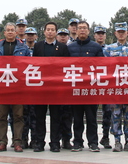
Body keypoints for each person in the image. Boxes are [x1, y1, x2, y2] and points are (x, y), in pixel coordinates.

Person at [0, 22, 31, 152]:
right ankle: (2, 141)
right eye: (7, 30)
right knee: (1, 116)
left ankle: (17, 141)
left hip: (17, 87)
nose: (10, 32)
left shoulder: (23, 48)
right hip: (2, 87)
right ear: (4, 33)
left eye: (12, 30)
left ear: (16, 32)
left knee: (18, 116)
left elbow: (28, 66)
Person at [32, 21, 71, 152]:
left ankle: (55, 142)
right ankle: (39, 142)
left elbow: (66, 67)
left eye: (52, 30)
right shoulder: (37, 46)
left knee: (56, 117)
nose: (50, 32)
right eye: (48, 29)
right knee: (40, 117)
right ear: (44, 32)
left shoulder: (63, 48)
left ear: (56, 32)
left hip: (56, 88)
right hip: (41, 88)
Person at [68, 20, 103, 152]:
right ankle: (77, 142)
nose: (82, 30)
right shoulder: (70, 48)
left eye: (84, 28)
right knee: (77, 118)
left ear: (88, 31)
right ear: (76, 31)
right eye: (80, 28)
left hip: (91, 89)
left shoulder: (96, 47)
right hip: (75, 89)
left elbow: (102, 67)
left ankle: (93, 142)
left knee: (91, 118)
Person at [104, 22, 128, 152]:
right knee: (116, 115)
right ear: (115, 33)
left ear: (127, 33)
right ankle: (117, 141)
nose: (121, 34)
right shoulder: (108, 49)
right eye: (119, 32)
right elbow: (104, 68)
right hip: (115, 89)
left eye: (123, 32)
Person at [93, 26, 112, 149]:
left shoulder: (110, 50)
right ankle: (93, 138)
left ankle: (105, 136)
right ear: (94, 35)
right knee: (92, 114)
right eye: (98, 33)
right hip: (93, 84)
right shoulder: (91, 48)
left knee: (107, 113)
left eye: (102, 34)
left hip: (107, 85)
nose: (100, 36)